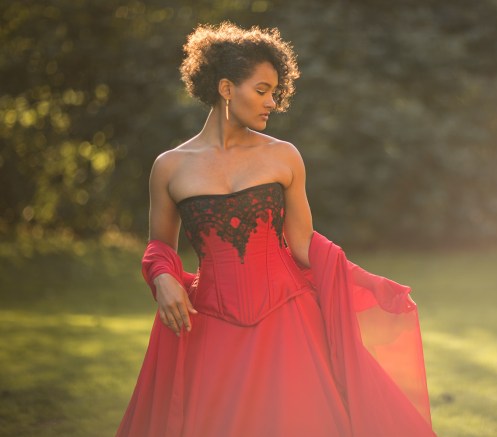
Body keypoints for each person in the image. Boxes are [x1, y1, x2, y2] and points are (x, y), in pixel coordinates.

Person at [116, 22, 435, 437]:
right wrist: (161, 276)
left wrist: (366, 281)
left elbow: (303, 243)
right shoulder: (170, 166)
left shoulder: (283, 157)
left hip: (288, 320)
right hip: (210, 325)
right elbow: (159, 244)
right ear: (227, 88)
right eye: (262, 90)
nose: (273, 103)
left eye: (275, 92)